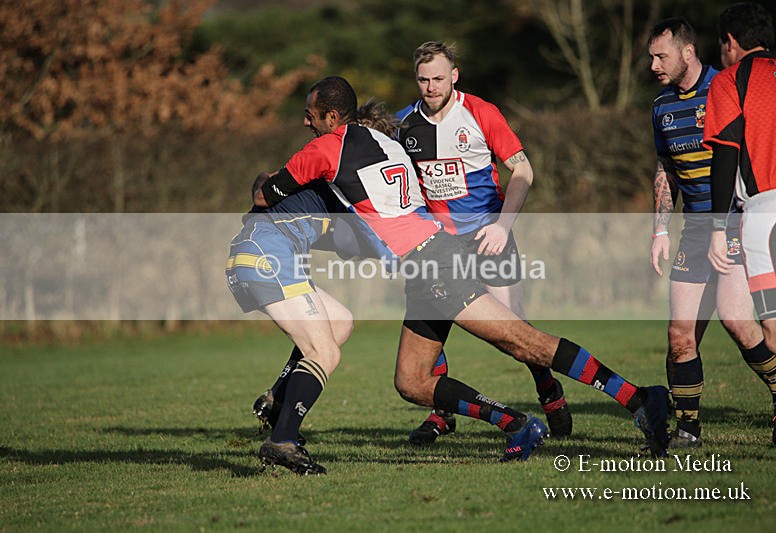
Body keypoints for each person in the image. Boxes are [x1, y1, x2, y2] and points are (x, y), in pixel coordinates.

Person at [258, 75, 673, 459]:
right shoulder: (382, 140)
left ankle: (638, 399)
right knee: (412, 381)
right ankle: (517, 424)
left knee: (522, 341)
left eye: (311, 115)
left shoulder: (327, 149)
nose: (306, 122)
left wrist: (263, 183)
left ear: (332, 117)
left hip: (434, 263)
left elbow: (267, 194)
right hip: (424, 265)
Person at [394, 41, 572, 445]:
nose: (431, 87)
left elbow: (523, 171)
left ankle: (548, 389)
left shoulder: (480, 113)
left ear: (454, 76)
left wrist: (503, 227)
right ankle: (442, 414)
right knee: (428, 325)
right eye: (423, 80)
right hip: (439, 246)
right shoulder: (403, 125)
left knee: (515, 331)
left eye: (439, 78)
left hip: (489, 236)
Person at [647, 16, 776, 448]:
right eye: (651, 57)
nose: (654, 65)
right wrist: (660, 230)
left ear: (687, 52)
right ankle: (687, 431)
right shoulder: (661, 106)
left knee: (738, 322)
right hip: (694, 231)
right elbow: (665, 169)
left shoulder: (726, 86)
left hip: (734, 222)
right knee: (679, 335)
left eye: (661, 56)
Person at [232, 100, 402, 476]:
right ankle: (282, 440)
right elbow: (264, 184)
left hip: (267, 254)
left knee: (339, 322)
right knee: (324, 351)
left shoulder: (339, 188)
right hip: (266, 255)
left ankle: (278, 398)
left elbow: (348, 239)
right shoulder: (338, 175)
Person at [704, 2, 776, 444]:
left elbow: (725, 157)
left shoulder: (729, 80)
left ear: (730, 42)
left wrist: (717, 228)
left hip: (769, 214)